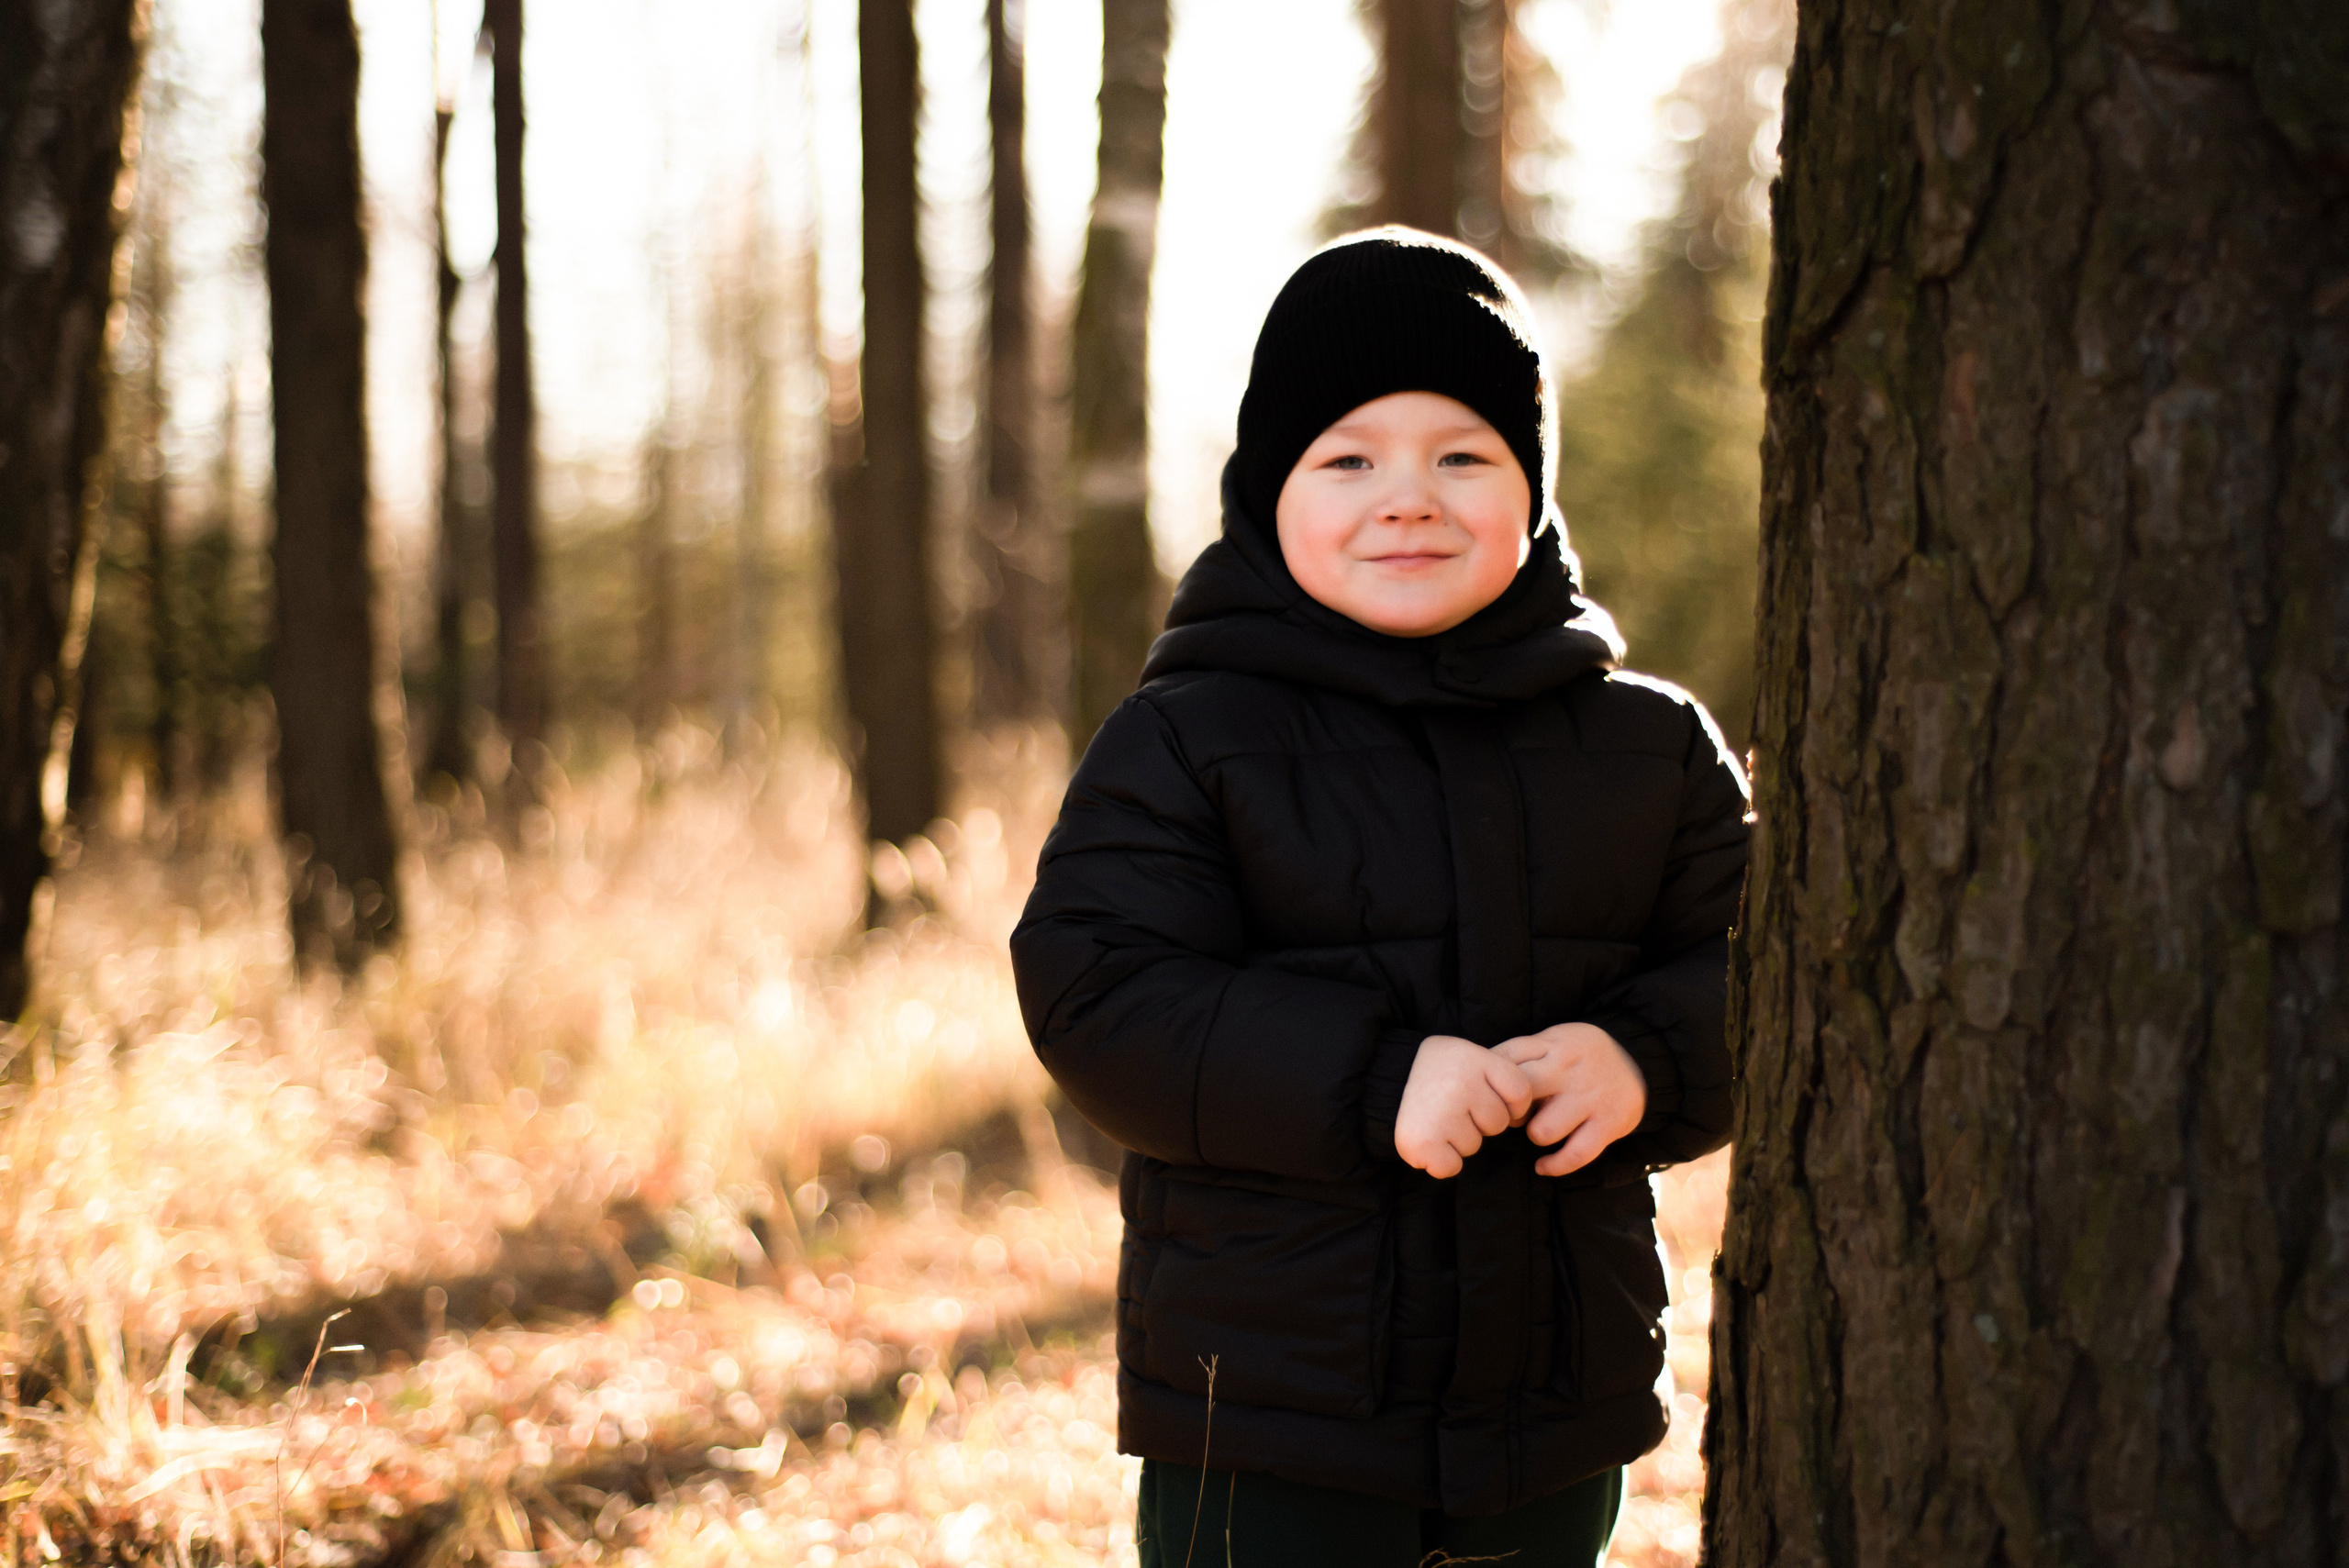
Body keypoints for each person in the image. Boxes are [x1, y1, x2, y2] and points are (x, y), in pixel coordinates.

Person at [1008, 228, 1749, 1567]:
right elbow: (1098, 984)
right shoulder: (1191, 737)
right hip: (1275, 1412)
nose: (1407, 496)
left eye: (1463, 455)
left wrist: (1645, 1057)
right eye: (1347, 457)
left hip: (1552, 1402)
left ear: (1533, 490)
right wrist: (1370, 1081)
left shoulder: (1651, 748)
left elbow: (1773, 966)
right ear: (1265, 492)